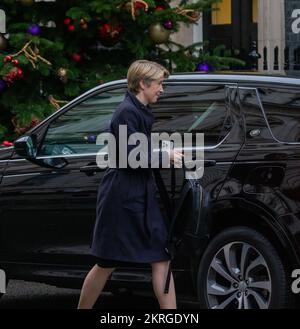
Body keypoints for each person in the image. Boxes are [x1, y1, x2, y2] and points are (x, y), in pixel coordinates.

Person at [77, 60, 182, 309]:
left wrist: (163, 153)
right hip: (122, 198)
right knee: (106, 263)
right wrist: (164, 157)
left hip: (136, 195)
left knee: (161, 258)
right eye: (159, 84)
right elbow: (130, 157)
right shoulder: (127, 112)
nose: (162, 89)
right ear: (143, 83)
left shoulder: (137, 110)